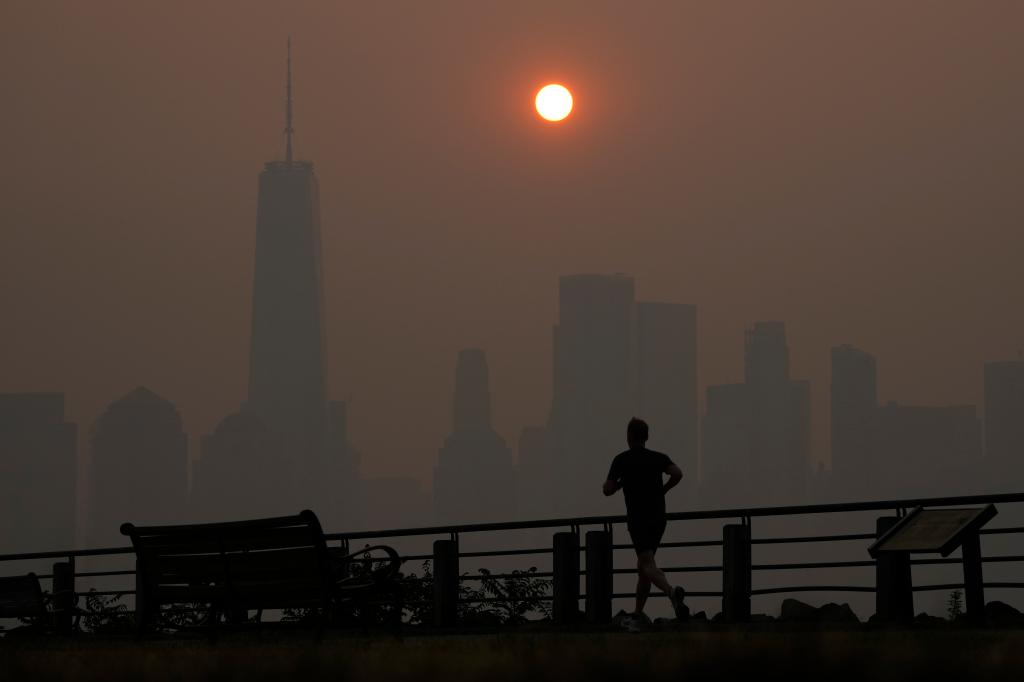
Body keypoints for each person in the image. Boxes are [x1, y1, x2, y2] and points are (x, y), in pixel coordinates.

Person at [603, 417, 687, 626]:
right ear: (646, 437)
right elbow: (677, 473)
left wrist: (621, 483)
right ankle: (638, 612)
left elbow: (607, 490)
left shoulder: (621, 460)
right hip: (659, 517)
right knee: (644, 566)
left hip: (638, 518)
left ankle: (671, 592)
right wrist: (663, 490)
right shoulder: (658, 458)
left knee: (647, 564)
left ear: (629, 436)